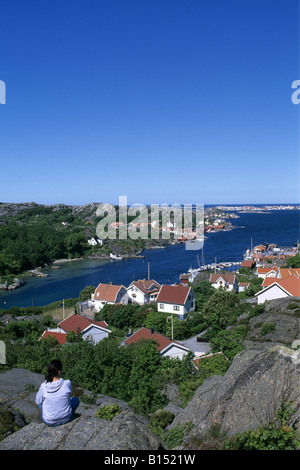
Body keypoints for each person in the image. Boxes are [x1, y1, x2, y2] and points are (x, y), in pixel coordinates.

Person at [36, 359, 80, 426]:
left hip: (49, 422)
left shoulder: (44, 386)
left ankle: (51, 415)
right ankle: (65, 414)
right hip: (66, 418)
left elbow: (38, 401)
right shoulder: (67, 383)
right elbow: (69, 395)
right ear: (59, 372)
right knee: (76, 400)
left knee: (41, 403)